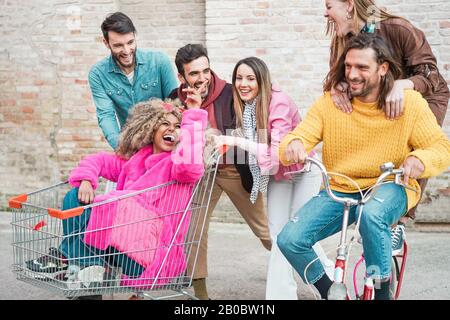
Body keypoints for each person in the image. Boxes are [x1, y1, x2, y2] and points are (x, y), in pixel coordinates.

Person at [277, 33, 450, 300]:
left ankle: (382, 294)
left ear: (383, 69)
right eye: (348, 66)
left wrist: (420, 159)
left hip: (390, 185)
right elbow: (295, 138)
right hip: (341, 188)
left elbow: (441, 148)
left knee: (372, 214)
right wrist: (294, 145)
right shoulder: (331, 102)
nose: (352, 75)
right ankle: (330, 294)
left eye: (362, 68)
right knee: (290, 239)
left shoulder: (410, 103)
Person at [26, 93, 208, 299]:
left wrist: (193, 116)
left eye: (177, 127)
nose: (171, 130)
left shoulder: (178, 166)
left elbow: (192, 166)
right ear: (150, 128)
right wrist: (87, 179)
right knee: (75, 197)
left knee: (110, 205)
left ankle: (67, 258)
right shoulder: (136, 161)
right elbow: (99, 161)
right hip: (119, 247)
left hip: (148, 255)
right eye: (165, 123)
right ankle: (88, 269)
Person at [323, 0, 450, 248]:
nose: (325, 12)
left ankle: (398, 223)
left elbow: (431, 75)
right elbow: (337, 78)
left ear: (349, 5)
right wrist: (337, 86)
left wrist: (402, 85)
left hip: (425, 95)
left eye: (329, 5)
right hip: (382, 97)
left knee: (413, 149)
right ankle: (373, 208)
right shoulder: (342, 42)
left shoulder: (396, 28)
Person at [212, 57, 334, 300]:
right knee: (279, 236)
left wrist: (236, 141)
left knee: (300, 232)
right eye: (238, 78)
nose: (243, 84)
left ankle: (329, 287)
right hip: (279, 175)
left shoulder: (279, 103)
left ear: (262, 80)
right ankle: (289, 294)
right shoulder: (245, 107)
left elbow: (277, 155)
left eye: (250, 78)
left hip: (303, 171)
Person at [168, 44, 272, 300]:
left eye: (206, 70)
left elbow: (253, 126)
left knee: (264, 228)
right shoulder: (175, 98)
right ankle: (201, 292)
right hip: (202, 174)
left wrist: (220, 139)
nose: (202, 78)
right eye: (194, 74)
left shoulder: (230, 91)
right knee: (194, 229)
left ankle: (299, 264)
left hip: (235, 168)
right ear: (182, 77)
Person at [88, 12, 178, 149]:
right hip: (131, 147)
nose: (126, 50)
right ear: (106, 43)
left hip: (163, 146)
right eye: (118, 45)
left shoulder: (160, 62)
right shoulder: (98, 74)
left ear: (135, 37)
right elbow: (106, 116)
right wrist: (121, 148)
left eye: (130, 42)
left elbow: (174, 106)